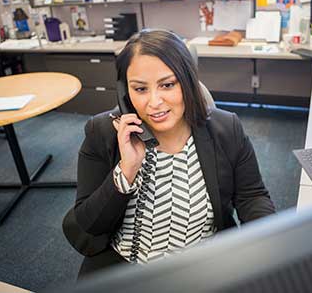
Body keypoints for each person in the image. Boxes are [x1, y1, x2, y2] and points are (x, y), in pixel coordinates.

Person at [73, 29, 275, 277]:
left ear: (188, 82)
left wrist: (269, 246)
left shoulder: (226, 129)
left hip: (205, 266)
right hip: (127, 270)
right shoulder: (104, 132)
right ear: (125, 92)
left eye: (167, 85)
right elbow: (89, 224)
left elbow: (252, 197)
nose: (154, 102)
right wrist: (126, 171)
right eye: (140, 89)